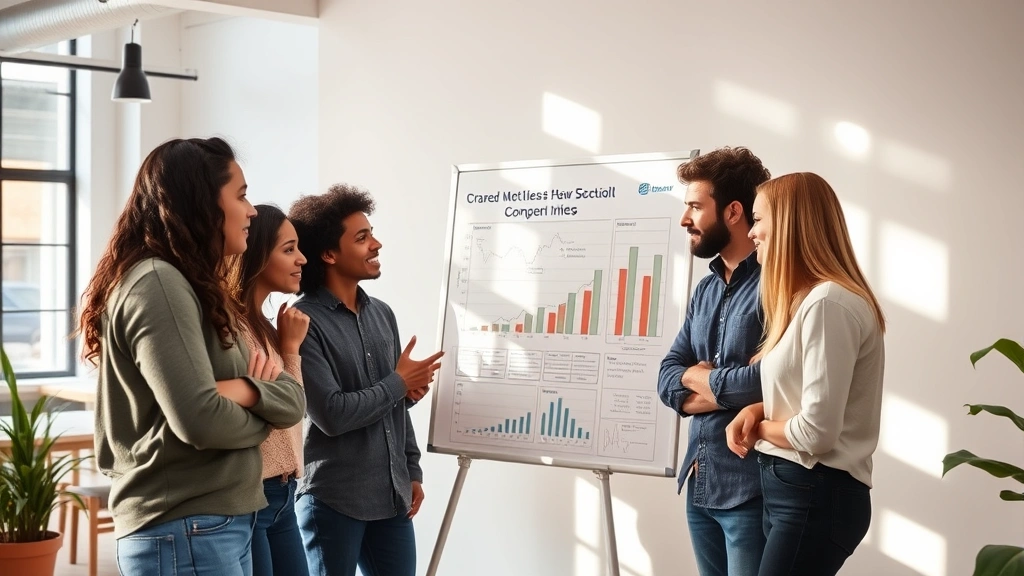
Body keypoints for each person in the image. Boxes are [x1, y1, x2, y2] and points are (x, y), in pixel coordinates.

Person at [77, 137, 307, 576]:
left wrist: (243, 389)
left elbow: (291, 403)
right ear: (204, 203)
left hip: (211, 525)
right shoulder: (159, 283)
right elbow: (201, 420)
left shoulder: (191, 286)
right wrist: (262, 406)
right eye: (240, 196)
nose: (252, 211)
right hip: (186, 527)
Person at [726, 172, 885, 575]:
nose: (752, 231)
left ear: (790, 224)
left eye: (759, 220)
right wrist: (759, 410)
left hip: (812, 492)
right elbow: (818, 399)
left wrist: (761, 430)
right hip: (796, 490)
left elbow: (817, 432)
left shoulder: (828, 303)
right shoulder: (810, 302)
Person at [288, 184, 443, 576]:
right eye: (362, 237)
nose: (377, 244)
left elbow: (391, 405)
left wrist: (411, 469)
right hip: (333, 501)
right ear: (328, 254)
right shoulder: (302, 323)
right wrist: (397, 383)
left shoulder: (383, 314)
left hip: (391, 497)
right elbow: (333, 414)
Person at [657, 147, 772, 576]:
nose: (685, 219)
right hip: (699, 481)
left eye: (694, 206)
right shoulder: (704, 291)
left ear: (733, 211)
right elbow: (667, 378)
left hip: (751, 487)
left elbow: (769, 383)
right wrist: (695, 377)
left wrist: (705, 380)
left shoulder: (775, 285)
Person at [226, 204, 311, 576]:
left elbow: (290, 404)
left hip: (285, 495)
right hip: (255, 495)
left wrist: (285, 350)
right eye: (289, 249)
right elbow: (279, 408)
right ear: (259, 255)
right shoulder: (234, 329)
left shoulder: (264, 326)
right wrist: (291, 351)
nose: (301, 259)